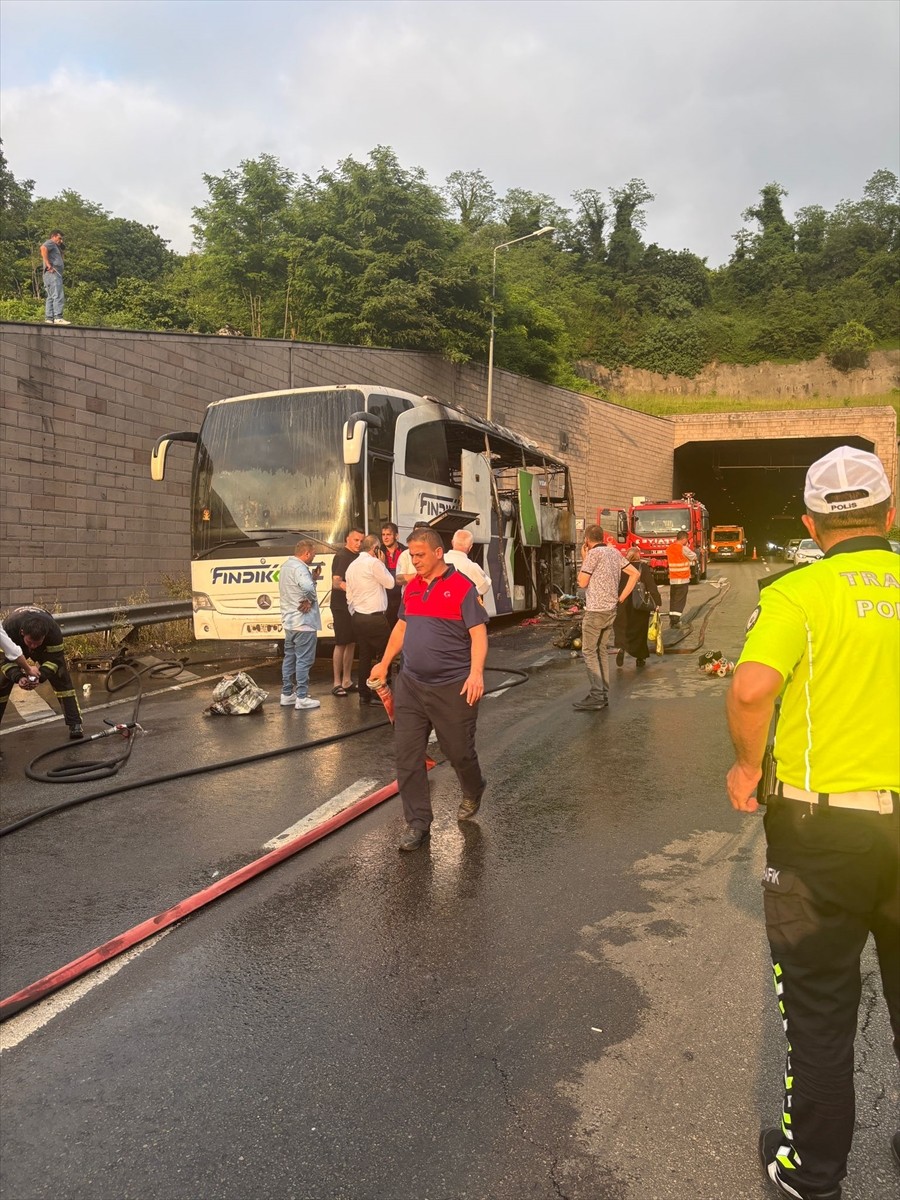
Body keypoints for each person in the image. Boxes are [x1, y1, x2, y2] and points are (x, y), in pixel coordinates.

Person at [725, 445, 900, 1200]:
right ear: (890, 516)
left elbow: (754, 687)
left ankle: (813, 1174)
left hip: (820, 831)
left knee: (823, 1009)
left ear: (810, 522)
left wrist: (743, 766)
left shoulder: (799, 592)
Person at [369, 527, 488, 852]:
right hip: (411, 684)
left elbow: (478, 634)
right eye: (411, 554)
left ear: (438, 553)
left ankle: (473, 787)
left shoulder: (462, 588)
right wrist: (384, 662)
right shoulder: (411, 590)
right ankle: (418, 823)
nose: (414, 560)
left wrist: (476, 674)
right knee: (408, 756)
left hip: (453, 687)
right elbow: (403, 626)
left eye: (419, 555)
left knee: (458, 752)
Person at [574, 524, 639, 711]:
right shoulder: (614, 553)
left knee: (588, 651)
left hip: (595, 611)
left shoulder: (593, 555)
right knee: (601, 650)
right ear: (603, 537)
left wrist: (585, 558)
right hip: (611, 609)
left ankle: (596, 695)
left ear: (587, 540)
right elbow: (635, 573)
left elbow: (582, 582)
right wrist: (621, 597)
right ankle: (602, 693)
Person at [0, 606, 83, 737]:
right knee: (2, 681)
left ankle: (75, 724)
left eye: (37, 643)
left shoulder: (53, 633)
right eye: (30, 642)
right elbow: (4, 662)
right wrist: (18, 677)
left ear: (44, 636)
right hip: (15, 642)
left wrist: (41, 676)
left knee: (61, 678)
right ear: (22, 632)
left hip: (44, 648)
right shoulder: (8, 629)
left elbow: (55, 661)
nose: (32, 647)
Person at [345, 534, 395, 706]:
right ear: (375, 549)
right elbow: (390, 583)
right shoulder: (374, 563)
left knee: (365, 656)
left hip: (358, 616)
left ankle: (364, 694)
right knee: (386, 655)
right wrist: (382, 563)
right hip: (374, 618)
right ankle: (379, 691)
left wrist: (355, 612)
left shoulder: (352, 566)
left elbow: (349, 595)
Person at [278, 539, 322, 710]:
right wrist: (310, 600)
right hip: (304, 622)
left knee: (289, 657)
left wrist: (313, 579)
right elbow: (307, 588)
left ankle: (287, 694)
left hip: (289, 622)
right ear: (307, 554)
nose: (313, 557)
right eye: (313, 554)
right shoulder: (300, 568)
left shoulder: (286, 567)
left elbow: (297, 587)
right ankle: (302, 697)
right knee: (304, 660)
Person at [613, 547, 661, 669]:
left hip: (622, 602)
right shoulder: (642, 567)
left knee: (622, 626)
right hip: (639, 604)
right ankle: (640, 658)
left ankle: (621, 647)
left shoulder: (620, 567)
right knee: (640, 630)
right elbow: (651, 586)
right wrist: (657, 602)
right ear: (639, 555)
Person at [329, 528, 364, 696]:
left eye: (361, 541)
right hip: (341, 606)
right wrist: (353, 590)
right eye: (356, 540)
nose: (359, 544)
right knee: (341, 642)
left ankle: (347, 680)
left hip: (354, 606)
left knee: (351, 643)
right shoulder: (342, 556)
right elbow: (336, 582)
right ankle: (337, 682)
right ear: (347, 540)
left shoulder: (358, 557)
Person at [445, 529, 492, 597]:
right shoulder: (472, 567)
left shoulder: (438, 560)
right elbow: (484, 587)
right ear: (470, 547)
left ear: (452, 542)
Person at [665, 530, 696, 627]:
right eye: (687, 539)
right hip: (682, 578)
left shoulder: (669, 548)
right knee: (680, 600)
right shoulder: (683, 548)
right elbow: (693, 556)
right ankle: (676, 621)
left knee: (674, 600)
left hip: (673, 579)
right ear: (684, 539)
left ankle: (672, 620)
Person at [40, 230, 70, 325]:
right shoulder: (50, 243)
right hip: (53, 273)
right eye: (59, 238)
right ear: (53, 236)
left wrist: (61, 245)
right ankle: (58, 317)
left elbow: (62, 249)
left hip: (52, 274)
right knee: (58, 294)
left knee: (51, 296)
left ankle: (49, 318)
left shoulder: (56, 246)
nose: (60, 240)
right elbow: (43, 248)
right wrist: (48, 264)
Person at [381, 522, 405, 629]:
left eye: (388, 534)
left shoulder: (406, 551)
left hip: (401, 598)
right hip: (385, 598)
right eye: (383, 535)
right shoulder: (378, 552)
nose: (385, 538)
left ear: (396, 536)